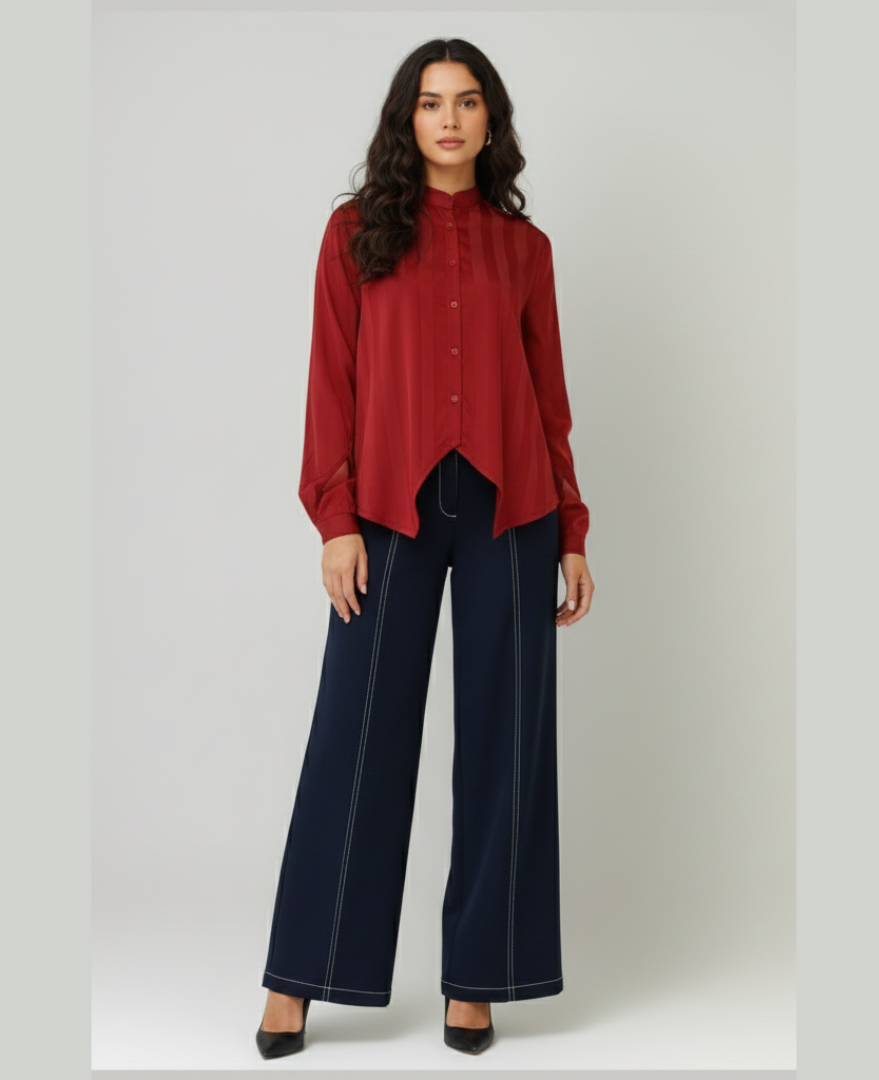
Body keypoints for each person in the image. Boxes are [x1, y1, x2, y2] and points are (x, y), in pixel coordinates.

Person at [256, 37, 595, 1060]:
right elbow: (331, 383)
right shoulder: (354, 234)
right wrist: (335, 519)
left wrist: (571, 530)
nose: (449, 118)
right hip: (388, 511)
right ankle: (300, 973)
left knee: (505, 742)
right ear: (407, 119)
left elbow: (549, 400)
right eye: (431, 102)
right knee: (356, 735)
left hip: (511, 508)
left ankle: (478, 979)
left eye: (468, 101)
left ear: (491, 122)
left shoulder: (524, 250)